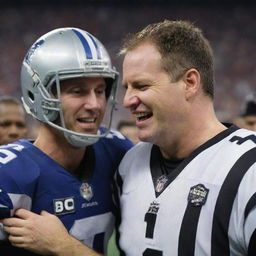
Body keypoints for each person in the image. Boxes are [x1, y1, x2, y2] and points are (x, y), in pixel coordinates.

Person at [3, 20, 256, 256]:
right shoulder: (129, 161)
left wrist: (68, 248)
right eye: (127, 88)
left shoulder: (249, 168)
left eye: (142, 86)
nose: (126, 101)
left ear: (189, 82)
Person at [0, 27, 133, 255]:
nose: (95, 104)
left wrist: (64, 246)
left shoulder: (117, 151)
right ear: (38, 96)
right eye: (78, 91)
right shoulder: (9, 174)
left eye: (100, 90)